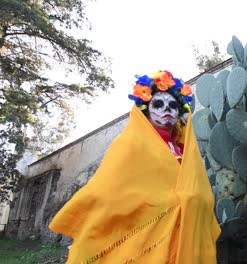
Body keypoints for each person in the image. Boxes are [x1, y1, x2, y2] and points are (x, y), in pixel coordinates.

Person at [49, 70, 221, 263]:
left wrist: (194, 202)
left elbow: (200, 192)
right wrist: (166, 203)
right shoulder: (130, 143)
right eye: (158, 104)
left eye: (173, 105)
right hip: (146, 240)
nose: (167, 109)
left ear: (180, 111)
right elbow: (106, 192)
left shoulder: (186, 150)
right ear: (146, 109)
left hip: (186, 239)